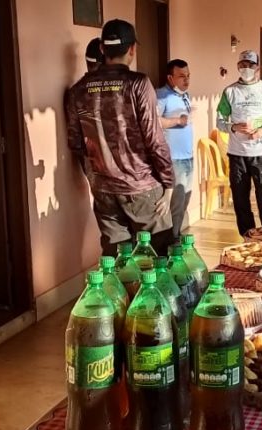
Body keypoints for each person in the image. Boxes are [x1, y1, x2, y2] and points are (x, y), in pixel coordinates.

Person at [65, 19, 174, 256]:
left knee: (116, 260)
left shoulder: (78, 89)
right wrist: (168, 184)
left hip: (104, 190)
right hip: (141, 187)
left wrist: (96, 177)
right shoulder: (138, 84)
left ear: (102, 49)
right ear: (132, 49)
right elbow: (154, 138)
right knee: (159, 257)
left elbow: (75, 142)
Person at [216, 50, 262, 236]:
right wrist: (233, 127)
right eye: (243, 65)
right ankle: (248, 238)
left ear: (258, 68)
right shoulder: (230, 91)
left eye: (250, 65)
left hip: (261, 154)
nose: (246, 68)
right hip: (237, 155)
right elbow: (220, 122)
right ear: (238, 66)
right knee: (240, 201)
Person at [156, 59, 194, 238]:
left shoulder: (185, 96)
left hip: (188, 158)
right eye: (181, 76)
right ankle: (170, 242)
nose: (186, 80)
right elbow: (153, 121)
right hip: (172, 159)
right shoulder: (161, 95)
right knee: (175, 205)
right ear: (170, 78)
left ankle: (176, 238)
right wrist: (178, 120)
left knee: (184, 201)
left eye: (188, 76)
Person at [65, 38, 105, 179]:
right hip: (124, 165)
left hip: (92, 163)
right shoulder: (118, 87)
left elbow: (74, 139)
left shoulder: (75, 91)